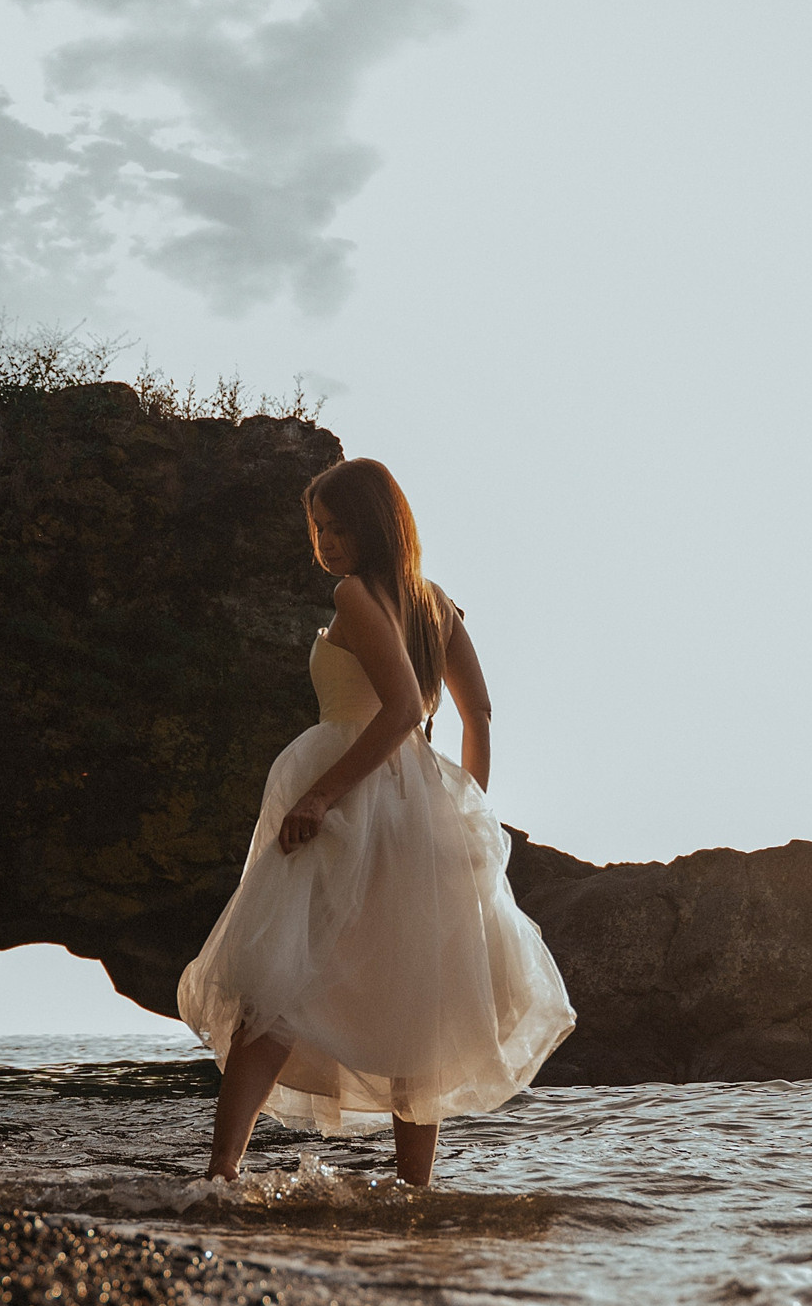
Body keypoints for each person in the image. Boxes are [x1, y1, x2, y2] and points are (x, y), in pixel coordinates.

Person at [178, 457, 575, 1187]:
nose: (326, 541)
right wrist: (465, 808)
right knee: (411, 998)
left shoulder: (355, 594)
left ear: (375, 524)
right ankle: (412, 1196)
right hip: (414, 807)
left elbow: (400, 710)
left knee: (275, 986)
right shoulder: (436, 602)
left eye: (338, 525)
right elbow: (477, 713)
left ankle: (220, 1175)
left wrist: (322, 796)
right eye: (317, 528)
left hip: (352, 799)